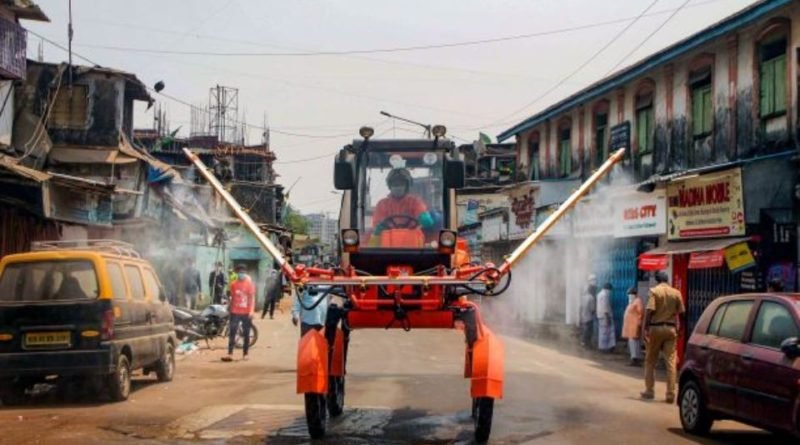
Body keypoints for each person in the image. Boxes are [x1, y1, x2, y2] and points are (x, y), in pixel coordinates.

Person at [641, 270, 686, 403]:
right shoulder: (676, 293)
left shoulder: (654, 291)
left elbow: (650, 311)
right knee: (671, 362)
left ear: (657, 280)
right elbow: (682, 313)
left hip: (656, 328)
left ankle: (649, 391)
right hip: (671, 329)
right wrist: (681, 328)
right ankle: (670, 394)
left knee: (650, 360)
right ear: (667, 280)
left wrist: (645, 329)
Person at [372, 168, 436, 238]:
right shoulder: (382, 204)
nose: (398, 187)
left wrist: (424, 217)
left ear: (407, 186)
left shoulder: (415, 202)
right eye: (395, 184)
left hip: (413, 241)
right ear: (389, 186)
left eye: (401, 183)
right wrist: (378, 228)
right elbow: (376, 224)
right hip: (388, 242)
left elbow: (422, 213)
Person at [223, 265, 255, 362]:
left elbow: (252, 298)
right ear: (237, 273)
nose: (242, 274)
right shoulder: (233, 284)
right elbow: (231, 297)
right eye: (240, 272)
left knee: (246, 333)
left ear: (246, 273)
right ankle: (230, 353)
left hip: (246, 312)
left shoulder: (249, 284)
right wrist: (229, 307)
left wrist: (251, 311)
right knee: (232, 332)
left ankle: (245, 354)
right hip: (235, 311)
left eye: (243, 272)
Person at [622, 287, 644, 366]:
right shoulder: (631, 302)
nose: (630, 296)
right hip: (630, 326)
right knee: (632, 342)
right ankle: (634, 357)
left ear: (635, 294)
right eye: (629, 295)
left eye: (631, 294)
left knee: (634, 342)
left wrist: (639, 324)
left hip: (634, 326)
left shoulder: (637, 301)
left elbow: (640, 313)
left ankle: (635, 358)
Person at [579, 274, 598, 349]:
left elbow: (580, 307)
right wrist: (594, 312)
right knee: (589, 330)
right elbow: (592, 309)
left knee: (585, 329)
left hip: (583, 316)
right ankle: (586, 343)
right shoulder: (591, 298)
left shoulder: (583, 297)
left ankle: (583, 342)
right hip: (589, 317)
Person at [597, 282, 616, 352]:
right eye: (610, 290)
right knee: (607, 332)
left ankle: (602, 347)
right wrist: (607, 317)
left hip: (601, 316)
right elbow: (605, 307)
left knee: (602, 332)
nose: (610, 292)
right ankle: (606, 347)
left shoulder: (599, 294)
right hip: (605, 316)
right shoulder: (605, 295)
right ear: (607, 289)